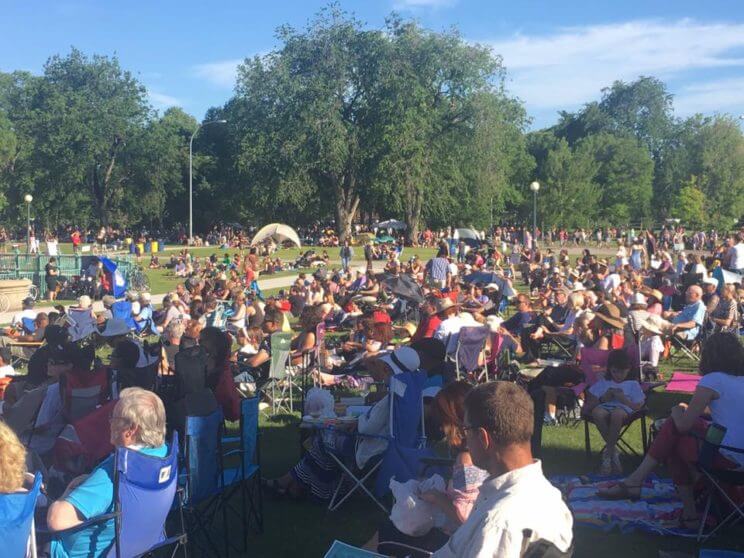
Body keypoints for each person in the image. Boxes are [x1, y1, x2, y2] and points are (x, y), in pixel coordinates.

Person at [598, 333, 744, 530]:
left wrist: (677, 411)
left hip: (729, 459)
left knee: (674, 430)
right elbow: (730, 412)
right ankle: (638, 483)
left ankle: (639, 483)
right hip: (739, 455)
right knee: (678, 432)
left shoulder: (713, 380)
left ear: (710, 356)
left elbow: (683, 425)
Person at [432, 382, 573, 557]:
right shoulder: (554, 499)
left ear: (483, 438)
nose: (465, 437)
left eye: (467, 429)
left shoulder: (497, 523)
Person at [264, 347, 421, 501]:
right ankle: (299, 487)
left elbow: (367, 428)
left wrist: (353, 422)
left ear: (387, 369)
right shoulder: (409, 398)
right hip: (393, 447)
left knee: (322, 439)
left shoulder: (391, 400)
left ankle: (299, 485)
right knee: (326, 444)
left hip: (372, 448)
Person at [368, 381, 489, 556]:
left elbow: (465, 515)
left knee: (386, 532)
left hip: (456, 543)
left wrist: (437, 497)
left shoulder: (466, 460)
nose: (440, 427)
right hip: (473, 538)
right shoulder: (488, 451)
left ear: (455, 421)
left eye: (443, 421)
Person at [47, 388, 169, 557]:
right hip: (138, 545)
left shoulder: (115, 473)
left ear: (130, 430)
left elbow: (56, 521)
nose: (109, 421)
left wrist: (66, 492)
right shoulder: (162, 456)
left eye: (114, 417)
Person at [584, 349, 645, 475]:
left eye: (622, 371)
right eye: (614, 371)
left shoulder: (632, 384)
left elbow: (638, 406)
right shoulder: (604, 382)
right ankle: (613, 452)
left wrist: (624, 400)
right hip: (606, 405)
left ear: (628, 369)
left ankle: (608, 454)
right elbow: (591, 402)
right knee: (597, 412)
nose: (618, 375)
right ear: (609, 369)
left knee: (616, 414)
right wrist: (604, 398)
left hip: (624, 408)